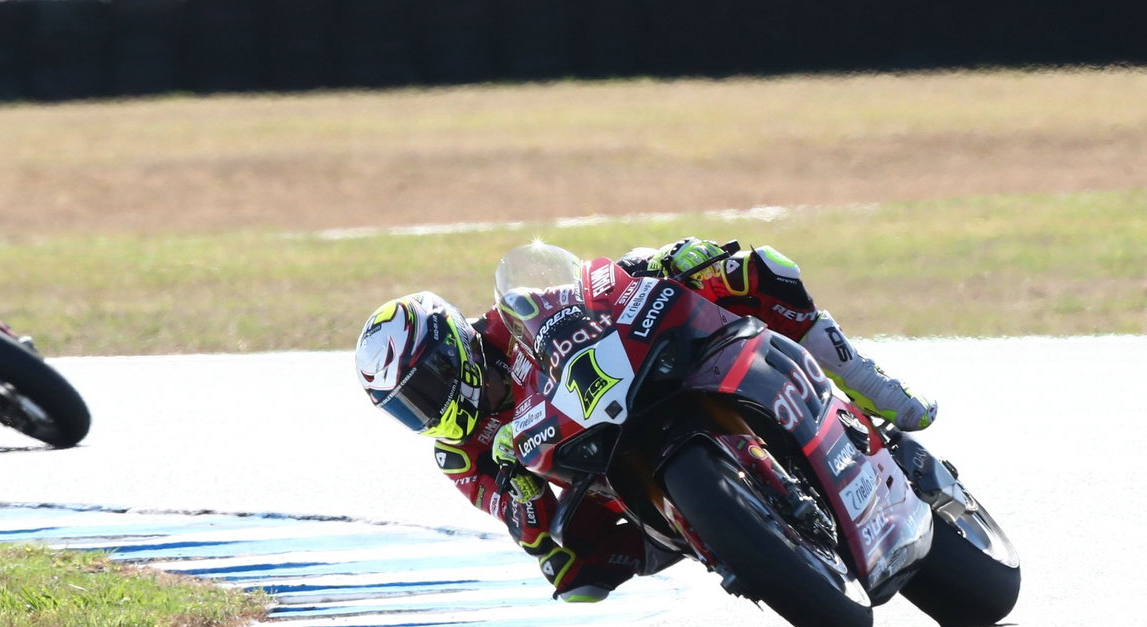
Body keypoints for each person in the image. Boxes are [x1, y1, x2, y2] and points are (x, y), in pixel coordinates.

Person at [354, 238, 938, 603]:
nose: (427, 409)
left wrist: (652, 263)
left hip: (639, 385)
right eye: (410, 408)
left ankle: (869, 384)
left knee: (750, 271)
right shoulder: (460, 453)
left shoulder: (512, 319)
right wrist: (517, 486)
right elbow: (529, 530)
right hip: (611, 486)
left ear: (452, 344)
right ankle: (728, 538)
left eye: (426, 386)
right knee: (571, 572)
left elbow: (591, 289)